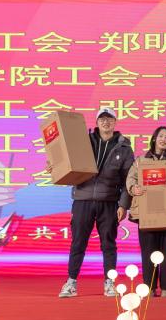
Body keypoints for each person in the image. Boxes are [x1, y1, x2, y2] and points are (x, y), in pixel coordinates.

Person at [56, 107, 133, 298]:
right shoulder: (84, 141)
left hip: (109, 201)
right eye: (102, 119)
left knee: (109, 244)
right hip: (82, 199)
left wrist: (123, 205)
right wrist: (54, 166)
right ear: (97, 122)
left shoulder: (124, 148)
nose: (106, 122)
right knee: (78, 242)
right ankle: (71, 282)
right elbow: (65, 159)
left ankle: (109, 283)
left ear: (115, 122)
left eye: (110, 119)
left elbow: (129, 179)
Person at [126, 125, 166, 297]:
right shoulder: (141, 160)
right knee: (148, 251)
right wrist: (133, 188)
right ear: (154, 139)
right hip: (146, 212)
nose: (163, 140)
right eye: (161, 136)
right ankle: (149, 287)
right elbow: (131, 178)